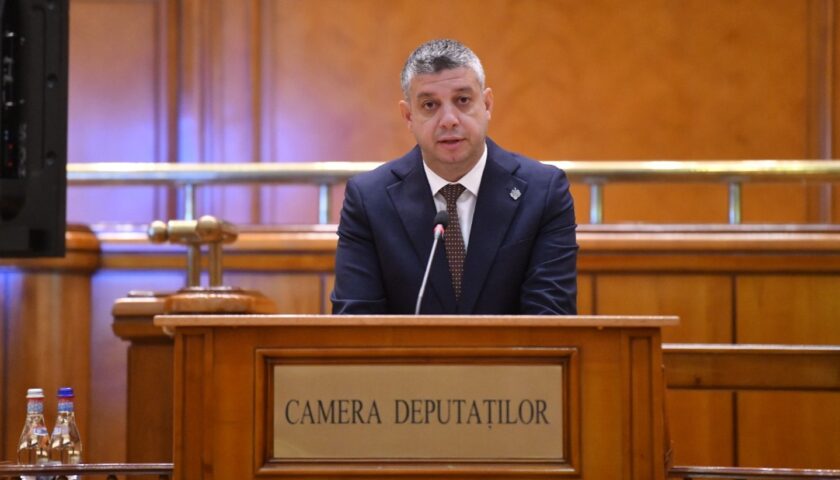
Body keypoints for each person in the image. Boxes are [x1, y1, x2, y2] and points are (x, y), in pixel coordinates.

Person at [331, 39, 577, 315]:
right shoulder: (369, 200)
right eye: (430, 105)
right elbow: (356, 322)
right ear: (408, 116)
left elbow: (551, 319)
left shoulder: (542, 192)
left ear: (487, 104)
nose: (449, 119)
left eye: (462, 101)